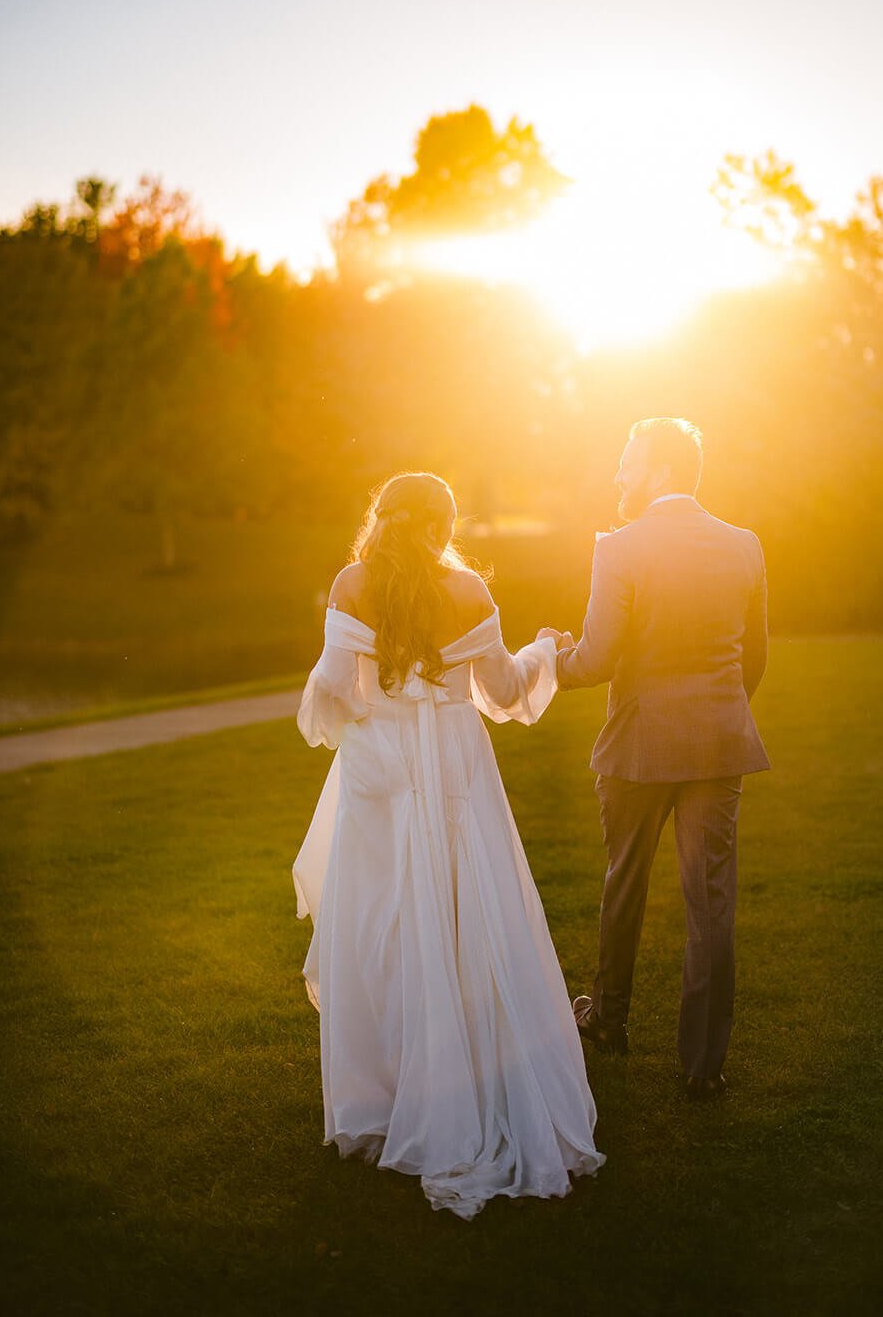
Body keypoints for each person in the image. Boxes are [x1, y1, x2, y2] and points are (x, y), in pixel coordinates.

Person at [292, 472, 603, 1219]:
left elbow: (330, 689)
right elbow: (503, 691)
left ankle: (388, 1090)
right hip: (455, 766)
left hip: (380, 771)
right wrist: (542, 651)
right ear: (444, 524)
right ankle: (469, 1074)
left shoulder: (352, 583)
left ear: (381, 518)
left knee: (382, 919)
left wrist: (365, 710)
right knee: (469, 910)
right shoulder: (467, 591)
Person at [543, 417, 769, 1098]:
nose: (619, 474)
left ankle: (609, 1019)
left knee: (624, 883)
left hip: (638, 746)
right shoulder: (744, 544)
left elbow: (593, 660)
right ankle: (703, 1066)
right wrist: (715, 711)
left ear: (661, 470)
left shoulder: (619, 547)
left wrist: (550, 655)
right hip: (718, 744)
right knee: (711, 902)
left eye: (628, 461)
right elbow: (753, 659)